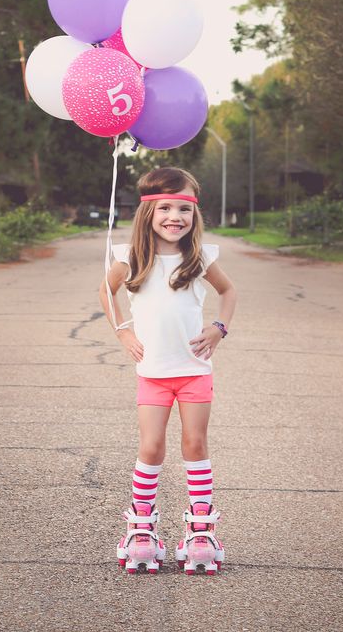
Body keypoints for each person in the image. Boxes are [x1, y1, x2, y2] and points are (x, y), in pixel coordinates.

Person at [99, 167, 236, 575]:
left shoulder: (199, 258)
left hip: (195, 370)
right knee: (151, 447)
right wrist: (123, 333)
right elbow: (106, 292)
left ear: (194, 214)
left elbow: (229, 292)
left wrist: (219, 328)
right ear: (148, 212)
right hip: (153, 373)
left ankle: (200, 533)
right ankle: (141, 530)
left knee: (195, 443)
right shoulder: (131, 258)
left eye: (184, 208)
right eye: (165, 208)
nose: (175, 216)